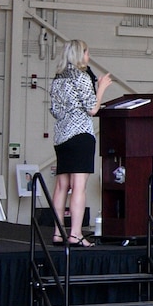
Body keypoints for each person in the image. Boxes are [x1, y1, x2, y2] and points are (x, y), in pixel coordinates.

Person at [46, 40, 110, 246]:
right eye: (87, 53)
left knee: (62, 185)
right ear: (80, 54)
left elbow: (54, 111)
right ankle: (75, 234)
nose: (89, 57)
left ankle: (57, 232)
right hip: (80, 134)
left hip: (62, 136)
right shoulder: (81, 77)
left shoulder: (57, 79)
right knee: (79, 186)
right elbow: (92, 109)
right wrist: (101, 88)